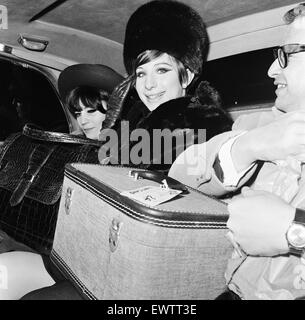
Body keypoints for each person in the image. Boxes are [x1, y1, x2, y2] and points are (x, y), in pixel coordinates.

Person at [169, 2, 305, 300]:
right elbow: (179, 176)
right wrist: (249, 146)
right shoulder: (255, 124)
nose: (271, 70)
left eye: (287, 54)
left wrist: (296, 231)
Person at [0, 64, 123, 300]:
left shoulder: (123, 155)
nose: (84, 121)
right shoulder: (72, 146)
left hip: (82, 265)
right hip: (46, 247)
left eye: (91, 111)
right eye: (78, 113)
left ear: (113, 113)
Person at [99, 0, 232, 172]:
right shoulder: (132, 124)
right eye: (141, 73)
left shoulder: (203, 126)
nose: (149, 84)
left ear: (187, 77)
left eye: (161, 70)